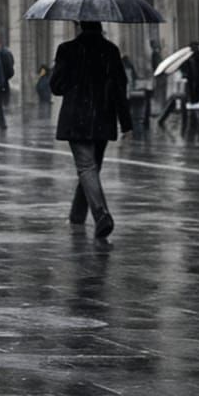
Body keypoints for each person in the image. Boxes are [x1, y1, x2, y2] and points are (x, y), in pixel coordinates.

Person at [51, 21, 130, 240]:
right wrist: (127, 123)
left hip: (75, 119)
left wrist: (68, 74)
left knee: (87, 168)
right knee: (91, 168)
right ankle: (77, 215)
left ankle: (101, 214)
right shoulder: (111, 50)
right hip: (103, 118)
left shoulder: (67, 49)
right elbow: (119, 88)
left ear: (79, 25)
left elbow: (56, 87)